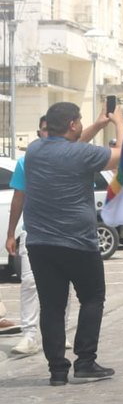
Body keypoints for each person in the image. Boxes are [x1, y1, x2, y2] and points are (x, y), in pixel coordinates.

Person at [22, 101, 123, 385]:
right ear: (72, 124)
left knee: (51, 306)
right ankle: (85, 363)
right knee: (92, 298)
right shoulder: (81, 154)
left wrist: (98, 125)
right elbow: (121, 156)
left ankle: (57, 371)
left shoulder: (34, 150)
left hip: (40, 244)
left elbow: (71, 147)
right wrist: (118, 122)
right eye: (79, 121)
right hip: (78, 242)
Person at [5, 116, 51, 356]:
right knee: (30, 282)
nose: (48, 133)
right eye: (44, 129)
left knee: (63, 285)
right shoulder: (26, 161)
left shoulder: (72, 158)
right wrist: (11, 233)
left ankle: (59, 332)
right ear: (38, 132)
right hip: (33, 230)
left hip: (66, 231)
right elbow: (18, 198)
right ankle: (29, 335)